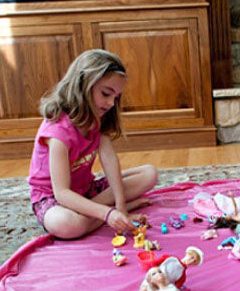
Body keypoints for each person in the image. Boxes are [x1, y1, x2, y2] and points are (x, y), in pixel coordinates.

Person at [28, 49, 158, 239]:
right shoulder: (57, 132)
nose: (111, 103)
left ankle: (92, 212)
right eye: (106, 93)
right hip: (55, 199)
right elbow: (62, 193)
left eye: (116, 97)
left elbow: (110, 161)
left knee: (150, 174)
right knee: (67, 225)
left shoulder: (97, 117)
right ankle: (95, 212)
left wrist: (121, 208)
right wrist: (107, 214)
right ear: (83, 85)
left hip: (86, 191)